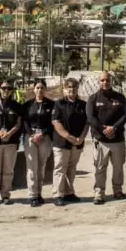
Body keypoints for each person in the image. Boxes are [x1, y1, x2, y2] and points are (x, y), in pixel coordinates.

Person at [87, 72, 126, 205]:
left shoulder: (120, 97)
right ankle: (99, 193)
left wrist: (114, 128)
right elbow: (91, 118)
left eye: (107, 80)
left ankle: (117, 190)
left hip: (117, 140)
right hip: (101, 140)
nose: (105, 82)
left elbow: (125, 115)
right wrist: (104, 130)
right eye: (102, 80)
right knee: (100, 168)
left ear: (111, 81)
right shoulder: (93, 98)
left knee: (118, 168)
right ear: (98, 82)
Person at [51, 78, 88, 207]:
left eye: (74, 87)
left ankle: (69, 192)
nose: (71, 90)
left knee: (72, 169)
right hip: (62, 142)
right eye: (68, 87)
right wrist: (68, 136)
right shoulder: (59, 104)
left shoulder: (83, 105)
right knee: (60, 169)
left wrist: (82, 137)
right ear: (64, 89)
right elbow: (56, 122)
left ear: (77, 89)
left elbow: (86, 123)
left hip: (77, 143)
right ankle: (58, 194)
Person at [0, 80, 23, 205]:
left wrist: (9, 134)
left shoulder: (17, 106)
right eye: (3, 88)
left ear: (12, 90)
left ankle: (6, 195)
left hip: (11, 142)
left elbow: (18, 124)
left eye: (8, 88)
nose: (6, 90)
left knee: (8, 171)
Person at [23, 79, 55, 208]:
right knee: (32, 167)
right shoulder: (28, 105)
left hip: (44, 138)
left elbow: (53, 122)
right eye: (37, 88)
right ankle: (32, 195)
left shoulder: (51, 105)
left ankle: (39, 193)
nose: (39, 90)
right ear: (33, 89)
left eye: (42, 88)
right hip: (30, 138)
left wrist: (43, 133)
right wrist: (31, 134)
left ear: (45, 89)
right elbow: (25, 121)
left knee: (41, 167)